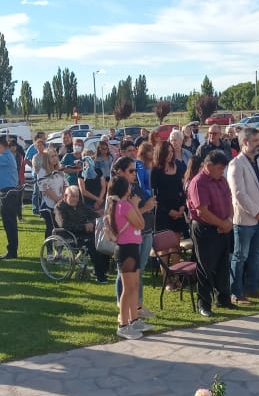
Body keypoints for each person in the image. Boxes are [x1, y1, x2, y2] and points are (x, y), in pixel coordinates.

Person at [227, 127, 259, 302]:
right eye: (255, 141)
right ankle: (236, 292)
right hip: (245, 220)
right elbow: (239, 194)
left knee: (256, 255)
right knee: (240, 256)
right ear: (245, 142)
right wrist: (257, 213)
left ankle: (253, 288)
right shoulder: (235, 164)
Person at [186, 151, 237, 317]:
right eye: (220, 168)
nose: (222, 171)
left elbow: (229, 201)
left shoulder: (221, 180)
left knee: (223, 264)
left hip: (223, 227)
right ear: (208, 166)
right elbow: (202, 212)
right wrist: (223, 224)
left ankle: (223, 299)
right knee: (205, 266)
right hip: (205, 229)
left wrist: (229, 220)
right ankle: (204, 304)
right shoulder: (198, 183)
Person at [106, 176, 147, 339]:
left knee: (134, 285)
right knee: (128, 289)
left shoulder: (122, 204)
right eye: (129, 187)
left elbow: (139, 223)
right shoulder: (123, 206)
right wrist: (136, 205)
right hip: (126, 250)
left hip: (132, 248)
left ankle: (134, 320)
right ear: (125, 190)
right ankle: (123, 324)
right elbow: (141, 224)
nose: (132, 189)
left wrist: (134, 205)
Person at [54, 185, 107, 283]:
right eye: (72, 196)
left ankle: (103, 270)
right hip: (70, 235)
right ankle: (100, 275)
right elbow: (64, 225)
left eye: (77, 196)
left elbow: (93, 214)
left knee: (102, 240)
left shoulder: (80, 204)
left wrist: (92, 222)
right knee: (93, 245)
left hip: (84, 232)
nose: (75, 199)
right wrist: (84, 226)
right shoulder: (59, 207)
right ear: (65, 196)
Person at [151, 140, 188, 236]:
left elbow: (182, 189)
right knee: (164, 247)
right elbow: (154, 194)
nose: (170, 154)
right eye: (167, 152)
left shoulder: (178, 166)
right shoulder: (156, 170)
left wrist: (182, 206)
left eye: (172, 151)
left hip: (178, 209)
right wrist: (169, 211)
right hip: (163, 212)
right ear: (161, 153)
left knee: (176, 246)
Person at [34, 148, 67, 238]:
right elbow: (46, 189)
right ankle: (49, 250)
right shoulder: (42, 172)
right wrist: (58, 199)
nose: (55, 158)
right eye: (52, 156)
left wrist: (62, 198)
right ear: (46, 159)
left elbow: (65, 184)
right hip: (49, 205)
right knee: (51, 228)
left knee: (60, 228)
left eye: (55, 155)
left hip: (61, 203)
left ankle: (59, 250)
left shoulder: (59, 170)